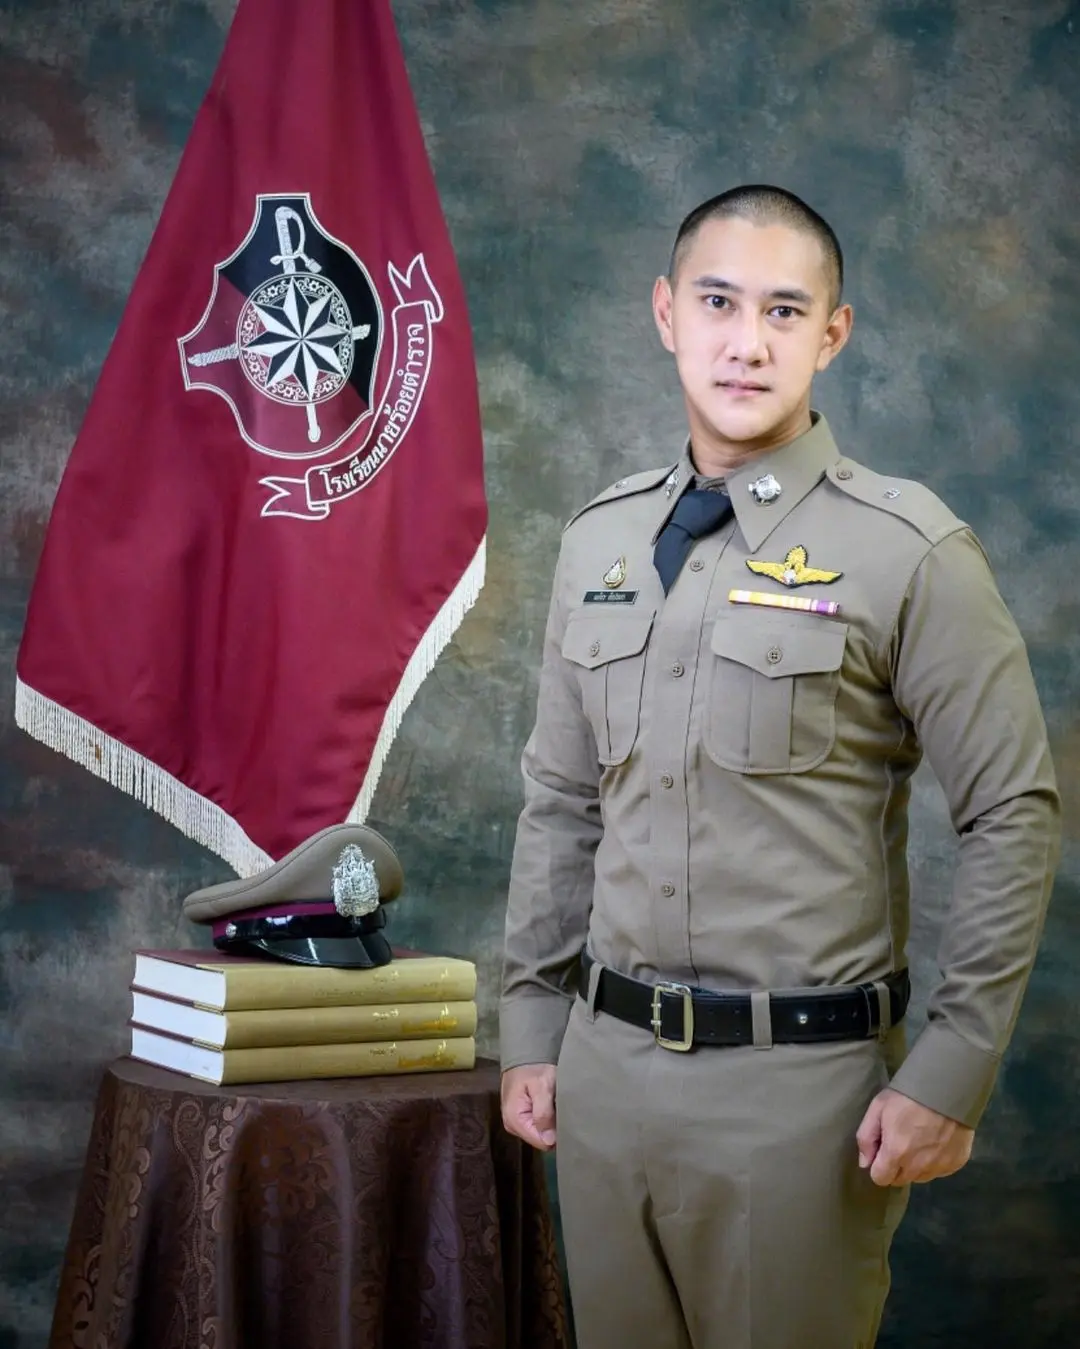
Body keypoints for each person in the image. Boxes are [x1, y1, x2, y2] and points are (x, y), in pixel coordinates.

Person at [498, 184, 1060, 1349]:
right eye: (717, 302)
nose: (746, 342)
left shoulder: (909, 551)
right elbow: (561, 801)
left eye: (784, 310)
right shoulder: (601, 540)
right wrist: (532, 1021)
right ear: (666, 314)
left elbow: (1013, 811)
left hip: (800, 1103)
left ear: (832, 334)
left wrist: (951, 1068)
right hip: (602, 1079)